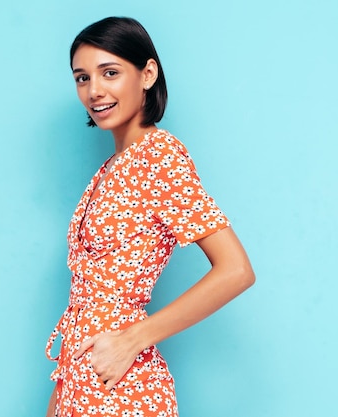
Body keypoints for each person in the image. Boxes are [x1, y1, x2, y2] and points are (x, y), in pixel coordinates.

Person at [45, 16, 255, 417]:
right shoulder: (109, 169)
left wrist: (132, 339)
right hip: (80, 377)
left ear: (147, 74)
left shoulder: (158, 156)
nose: (94, 90)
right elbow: (82, 304)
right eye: (82, 78)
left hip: (123, 385)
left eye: (110, 73)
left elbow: (236, 271)